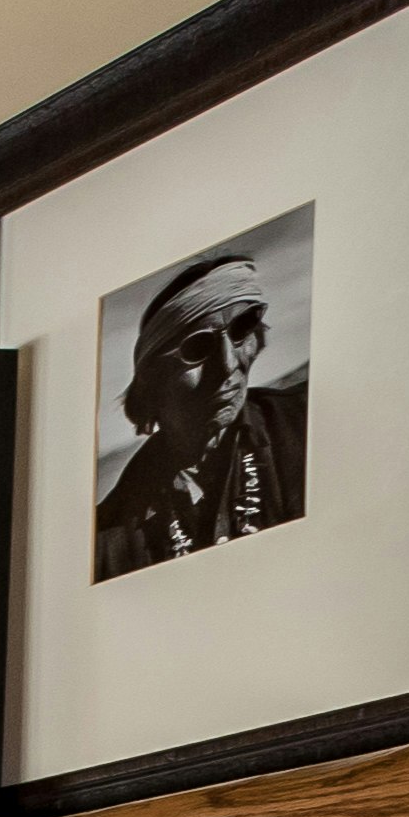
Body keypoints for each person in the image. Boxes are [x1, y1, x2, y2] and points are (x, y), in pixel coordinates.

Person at [96, 247, 309, 578]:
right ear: (153, 382)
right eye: (197, 347)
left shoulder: (307, 423)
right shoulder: (109, 537)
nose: (227, 364)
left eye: (241, 328)